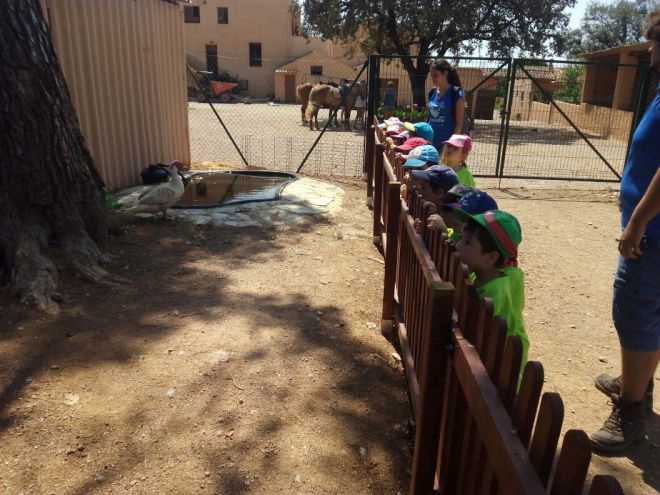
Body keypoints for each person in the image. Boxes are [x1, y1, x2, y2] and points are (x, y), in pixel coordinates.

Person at [590, 9, 660, 455]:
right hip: (651, 228)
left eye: (655, 42)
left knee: (634, 312)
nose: (650, 51)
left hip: (652, 234)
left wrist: (637, 222)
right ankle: (638, 383)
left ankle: (631, 410)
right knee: (648, 313)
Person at [454, 209, 528, 385]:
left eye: (467, 242)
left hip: (500, 375)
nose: (458, 246)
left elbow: (485, 339)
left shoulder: (495, 293)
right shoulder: (478, 275)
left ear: (491, 257)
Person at [428, 188, 497, 243]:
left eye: (465, 218)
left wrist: (443, 232)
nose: (456, 219)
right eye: (458, 213)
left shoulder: (473, 247)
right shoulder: (457, 234)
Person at [427, 59, 466, 153]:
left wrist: (450, 145)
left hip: (446, 146)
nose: (433, 79)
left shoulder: (455, 93)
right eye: (431, 76)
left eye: (436, 75)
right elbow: (429, 118)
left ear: (445, 74)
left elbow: (459, 123)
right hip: (430, 145)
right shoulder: (432, 92)